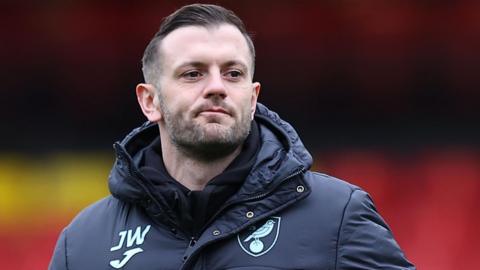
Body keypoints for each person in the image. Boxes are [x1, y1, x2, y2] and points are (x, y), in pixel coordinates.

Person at [49, 4, 415, 270]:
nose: (216, 87)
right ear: (150, 100)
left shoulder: (337, 216)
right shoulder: (82, 244)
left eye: (233, 73)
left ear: (253, 98)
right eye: (193, 74)